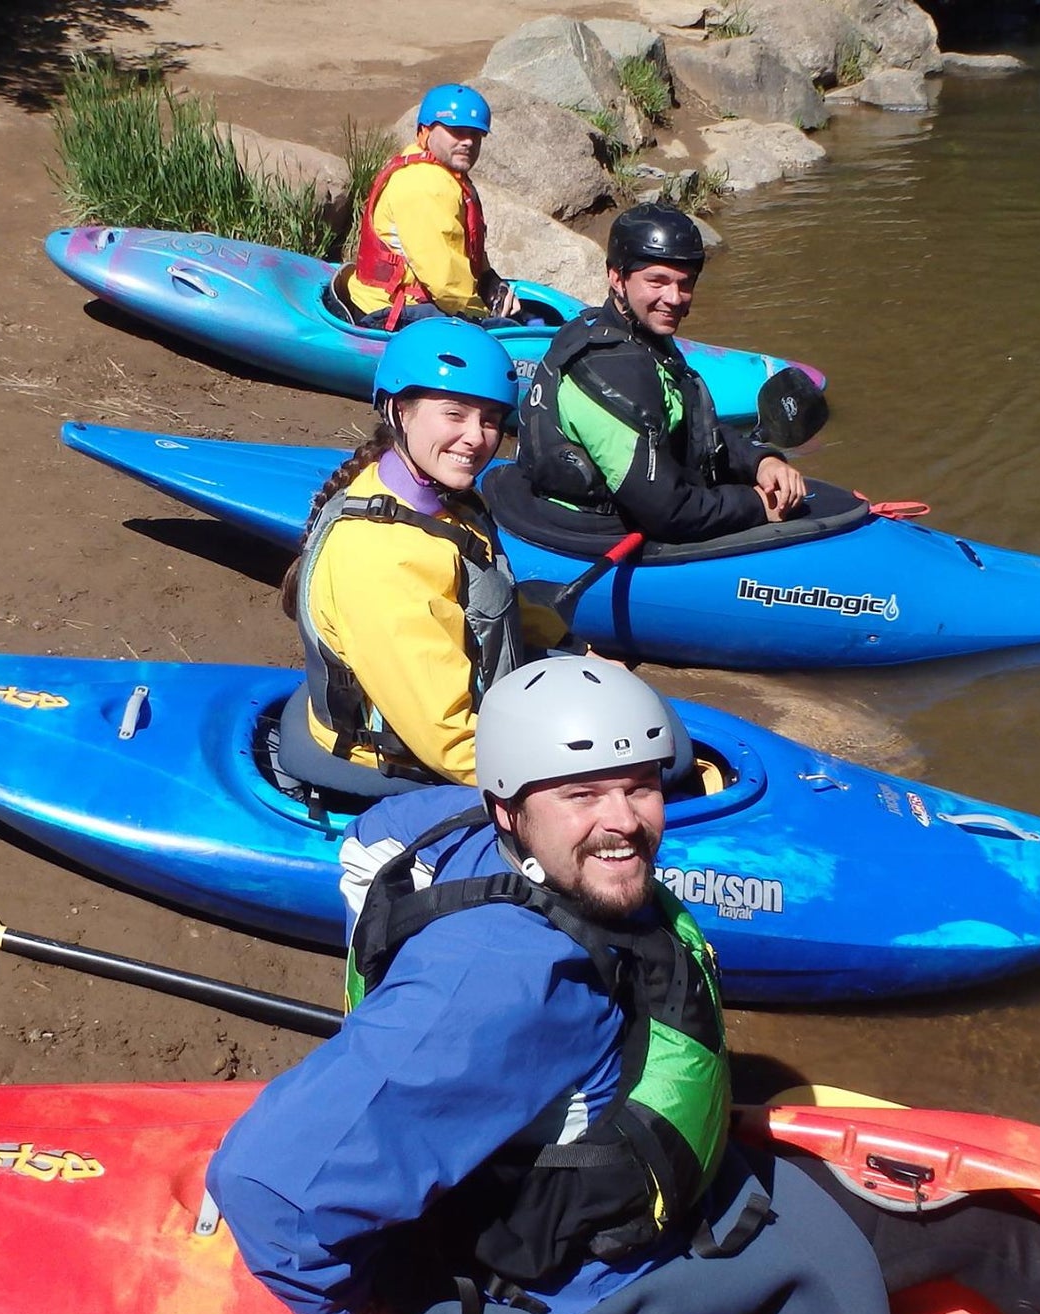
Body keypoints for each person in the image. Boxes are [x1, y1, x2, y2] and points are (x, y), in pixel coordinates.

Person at [208, 657, 1040, 1314]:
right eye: (581, 794)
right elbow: (266, 1181)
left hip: (673, 1203)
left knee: (1001, 1236)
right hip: (565, 1290)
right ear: (509, 809)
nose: (624, 822)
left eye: (639, 786)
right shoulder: (501, 978)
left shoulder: (460, 825)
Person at [278, 319, 567, 793]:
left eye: (490, 419)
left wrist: (567, 642)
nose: (477, 437)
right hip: (400, 762)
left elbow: (482, 600)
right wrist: (567, 785)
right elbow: (449, 741)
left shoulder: (440, 500)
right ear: (398, 411)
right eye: (454, 414)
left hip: (446, 722)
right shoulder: (383, 558)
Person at [516, 203, 807, 543]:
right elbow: (669, 513)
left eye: (685, 284)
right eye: (657, 281)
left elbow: (692, 422)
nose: (674, 298)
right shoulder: (607, 368)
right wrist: (756, 505)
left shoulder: (638, 335)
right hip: (594, 532)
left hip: (648, 506)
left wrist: (760, 461)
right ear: (617, 277)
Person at [342, 83, 519, 328]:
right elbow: (445, 283)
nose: (468, 141)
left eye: (476, 134)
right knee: (507, 331)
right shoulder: (424, 185)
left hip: (413, 302)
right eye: (457, 131)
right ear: (425, 132)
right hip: (390, 313)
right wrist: (484, 317)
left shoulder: (445, 174)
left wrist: (490, 280)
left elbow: (460, 247)